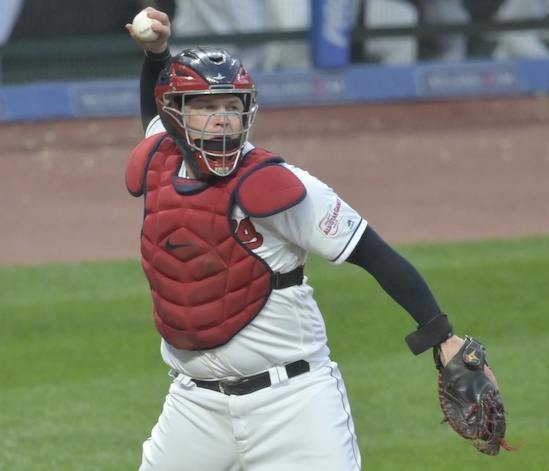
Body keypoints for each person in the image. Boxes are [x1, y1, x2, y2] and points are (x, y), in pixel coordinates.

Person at [125, 8, 500, 471]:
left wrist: (442, 337)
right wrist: (155, 55)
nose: (222, 120)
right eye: (205, 107)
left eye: (232, 106)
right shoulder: (160, 162)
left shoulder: (277, 186)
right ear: (176, 114)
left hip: (293, 404)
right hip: (193, 407)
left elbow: (374, 254)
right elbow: (152, 115)